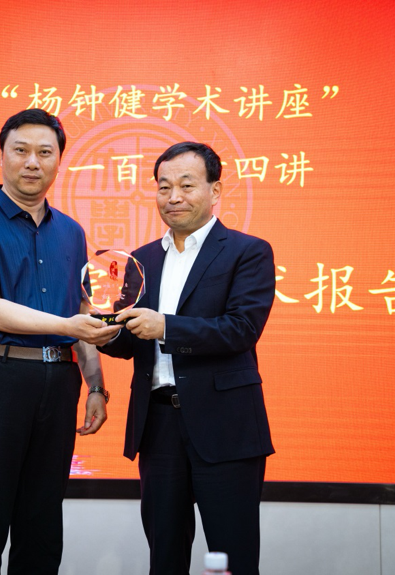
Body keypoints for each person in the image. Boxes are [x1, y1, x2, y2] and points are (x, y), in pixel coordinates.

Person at [0, 109, 121, 575]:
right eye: (20, 150)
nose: (32, 162)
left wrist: (96, 386)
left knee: (42, 524)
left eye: (45, 152)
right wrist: (70, 326)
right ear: (2, 155)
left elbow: (81, 310)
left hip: (58, 380)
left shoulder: (71, 232)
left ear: (59, 161)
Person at [100, 142, 276, 575]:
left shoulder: (248, 251)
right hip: (158, 425)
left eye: (186, 185)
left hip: (225, 424)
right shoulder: (141, 260)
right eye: (164, 187)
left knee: (233, 558)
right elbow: (129, 342)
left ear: (215, 191)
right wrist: (100, 327)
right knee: (164, 555)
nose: (173, 196)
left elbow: (241, 329)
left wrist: (166, 326)